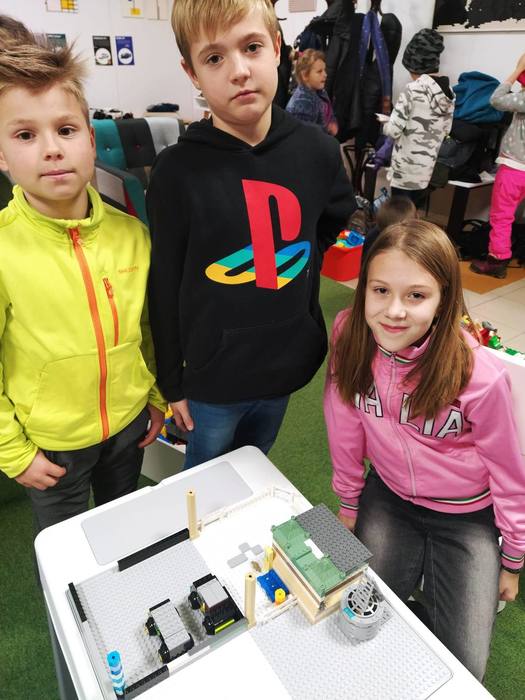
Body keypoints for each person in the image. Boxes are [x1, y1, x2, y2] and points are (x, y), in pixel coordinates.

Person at [147, 0, 355, 469]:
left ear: (277, 48)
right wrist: (171, 382)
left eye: (252, 47)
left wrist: (300, 261)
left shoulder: (318, 151)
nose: (239, 71)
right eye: (214, 57)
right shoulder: (176, 172)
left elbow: (332, 218)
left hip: (285, 362)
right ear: (192, 73)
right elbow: (164, 284)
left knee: (254, 466)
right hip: (212, 377)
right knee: (205, 478)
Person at [324, 220, 524, 681]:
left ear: (443, 300)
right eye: (380, 290)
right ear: (363, 288)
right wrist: (349, 503)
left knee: (464, 670)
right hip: (388, 497)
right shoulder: (349, 334)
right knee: (357, 624)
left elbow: (509, 473)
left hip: (467, 515)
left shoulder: (478, 376)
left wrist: (512, 560)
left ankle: (427, 604)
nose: (394, 311)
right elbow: (343, 421)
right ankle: (415, 605)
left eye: (416, 295)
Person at [0, 29, 166, 532]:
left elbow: (148, 329)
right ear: (2, 155)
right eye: (25, 135)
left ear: (91, 140)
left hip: (128, 424)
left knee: (122, 533)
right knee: (65, 553)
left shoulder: (132, 235)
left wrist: (154, 396)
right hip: (51, 444)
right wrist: (14, 452)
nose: (52, 149)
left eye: (66, 129)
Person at [382, 28, 454, 208]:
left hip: (405, 170)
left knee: (398, 214)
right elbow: (447, 130)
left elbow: (393, 130)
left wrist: (386, 123)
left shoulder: (412, 90)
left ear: (414, 64)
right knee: (412, 213)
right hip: (425, 171)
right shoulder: (449, 92)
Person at [470, 53, 525, 279]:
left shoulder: (523, 99)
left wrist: (516, 70)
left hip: (515, 167)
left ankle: (497, 261)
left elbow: (496, 99)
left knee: (502, 216)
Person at [286, 49, 338, 135]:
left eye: (324, 70)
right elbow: (306, 137)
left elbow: (328, 111)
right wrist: (328, 129)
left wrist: (332, 122)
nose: (325, 74)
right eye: (319, 71)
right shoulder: (302, 105)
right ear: (304, 75)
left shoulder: (320, 91)